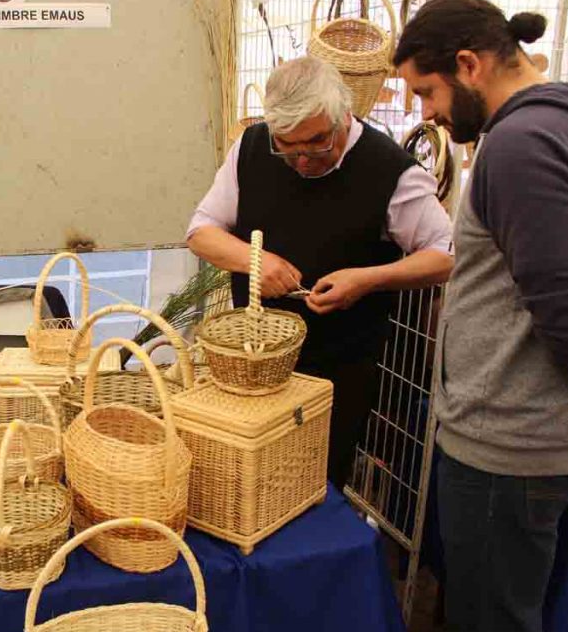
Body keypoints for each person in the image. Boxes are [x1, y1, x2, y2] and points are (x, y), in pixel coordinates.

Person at [395, 0, 568, 632]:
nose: (427, 114)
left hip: (509, 444)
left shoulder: (520, 146)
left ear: (469, 64)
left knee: (499, 628)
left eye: (427, 92)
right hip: (533, 435)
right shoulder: (564, 121)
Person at [187, 56, 453, 491]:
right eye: (287, 148)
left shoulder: (390, 170)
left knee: (315, 487)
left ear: (343, 115)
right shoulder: (253, 147)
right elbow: (201, 232)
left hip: (339, 373)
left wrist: (367, 279)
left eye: (316, 143)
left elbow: (443, 256)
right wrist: (256, 262)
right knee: (247, 485)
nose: (303, 160)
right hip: (252, 369)